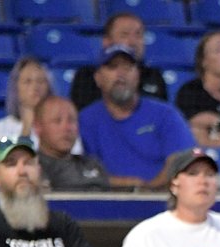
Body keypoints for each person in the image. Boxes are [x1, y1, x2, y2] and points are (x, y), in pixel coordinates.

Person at [79, 44, 196, 189]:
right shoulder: (85, 120)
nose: (121, 74)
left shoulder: (165, 114)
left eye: (128, 67)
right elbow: (81, 173)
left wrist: (148, 190)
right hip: (105, 202)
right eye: (113, 67)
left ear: (138, 76)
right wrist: (130, 187)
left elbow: (181, 161)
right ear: (98, 78)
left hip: (165, 198)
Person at [0, 57, 59, 182]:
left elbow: (72, 167)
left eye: (41, 81)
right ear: (16, 87)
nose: (35, 87)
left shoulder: (61, 124)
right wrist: (26, 128)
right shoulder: (0, 128)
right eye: (28, 81)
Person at [68, 12, 168, 111]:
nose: (133, 42)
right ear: (106, 41)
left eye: (138, 35)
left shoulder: (154, 76)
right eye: (124, 35)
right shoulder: (86, 77)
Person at [34, 95, 110, 191]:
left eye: (72, 120)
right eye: (57, 121)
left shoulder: (93, 165)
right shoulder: (30, 169)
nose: (67, 128)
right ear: (38, 127)